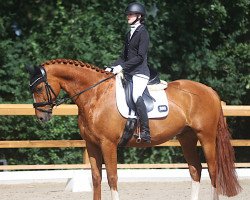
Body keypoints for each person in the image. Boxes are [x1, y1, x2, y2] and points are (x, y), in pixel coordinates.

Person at [106, 2, 151, 143]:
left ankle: (146, 131)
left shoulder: (143, 33)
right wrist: (111, 67)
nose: (128, 17)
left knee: (136, 95)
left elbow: (140, 57)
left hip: (140, 73)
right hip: (129, 73)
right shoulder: (129, 33)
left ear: (139, 16)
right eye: (128, 14)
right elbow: (123, 57)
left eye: (130, 14)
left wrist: (122, 67)